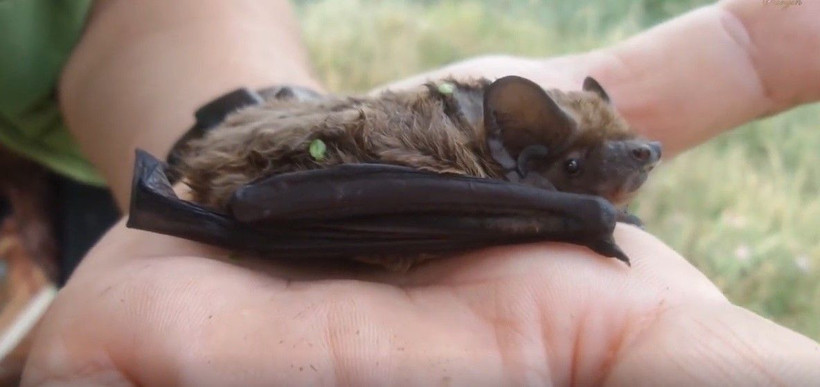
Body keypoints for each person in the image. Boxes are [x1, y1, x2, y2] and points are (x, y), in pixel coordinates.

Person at [21, 0, 820, 385]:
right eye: (572, 171)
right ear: (520, 155)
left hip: (251, 164)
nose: (598, 181)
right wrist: (583, 217)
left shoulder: (495, 171)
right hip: (260, 190)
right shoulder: (463, 176)